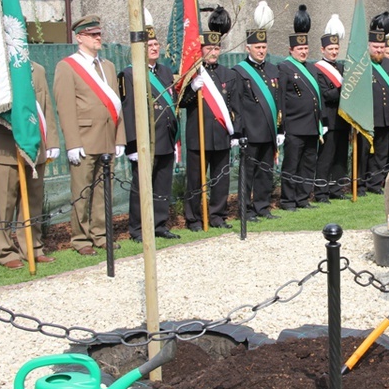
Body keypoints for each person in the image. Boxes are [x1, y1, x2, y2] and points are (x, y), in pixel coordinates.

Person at [0, 60, 60, 269]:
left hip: (33, 145)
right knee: (4, 204)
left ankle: (33, 247)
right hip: (3, 146)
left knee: (33, 201)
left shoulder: (36, 69)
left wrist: (53, 141)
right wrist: (11, 103)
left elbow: (45, 107)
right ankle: (5, 252)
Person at [54, 15, 126, 256]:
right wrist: (72, 143)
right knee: (82, 191)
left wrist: (120, 138)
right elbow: (65, 108)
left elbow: (117, 105)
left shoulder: (107, 66)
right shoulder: (68, 66)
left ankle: (101, 234)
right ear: (80, 37)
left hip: (107, 136)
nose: (98, 38)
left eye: (99, 34)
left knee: (103, 191)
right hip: (84, 139)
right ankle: (81, 238)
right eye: (93, 35)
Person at [119, 26, 180, 241]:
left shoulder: (164, 71)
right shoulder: (130, 72)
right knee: (141, 186)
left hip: (166, 137)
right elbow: (128, 110)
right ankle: (137, 229)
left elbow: (171, 103)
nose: (154, 48)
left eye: (156, 45)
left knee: (163, 183)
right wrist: (132, 145)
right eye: (149, 46)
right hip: (145, 140)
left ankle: (159, 224)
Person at [181, 23, 241, 229]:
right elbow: (180, 102)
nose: (213, 52)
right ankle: (194, 219)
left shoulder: (228, 74)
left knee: (220, 179)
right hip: (199, 136)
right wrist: (191, 89)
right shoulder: (193, 74)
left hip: (222, 135)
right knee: (196, 181)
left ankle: (217, 216)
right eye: (209, 48)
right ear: (201, 50)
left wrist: (235, 133)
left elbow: (235, 106)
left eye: (216, 49)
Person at [233, 27, 281, 222]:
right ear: (248, 48)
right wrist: (239, 132)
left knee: (265, 172)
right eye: (257, 47)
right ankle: (245, 209)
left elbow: (278, 101)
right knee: (248, 173)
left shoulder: (272, 70)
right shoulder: (239, 71)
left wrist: (280, 127)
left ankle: (262, 206)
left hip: (269, 130)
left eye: (264, 46)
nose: (261, 50)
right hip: (250, 132)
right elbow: (237, 105)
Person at [277, 5, 322, 211]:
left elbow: (316, 98)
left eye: (305, 49)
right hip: (294, 126)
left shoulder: (312, 68)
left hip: (312, 126)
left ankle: (303, 198)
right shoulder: (285, 68)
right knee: (292, 165)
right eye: (299, 49)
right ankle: (288, 200)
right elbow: (281, 100)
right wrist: (282, 127)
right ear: (291, 50)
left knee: (307, 165)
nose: (304, 52)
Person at [357, 28, 389, 195]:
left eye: (382, 47)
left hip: (384, 117)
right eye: (376, 46)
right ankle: (360, 185)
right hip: (366, 117)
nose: (379, 50)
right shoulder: (362, 64)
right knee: (363, 153)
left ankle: (375, 184)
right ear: (369, 46)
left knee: (381, 154)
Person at [313, 31, 348, 203]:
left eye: (336, 48)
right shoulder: (317, 69)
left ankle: (336, 188)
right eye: (330, 48)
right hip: (328, 120)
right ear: (322, 49)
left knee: (340, 158)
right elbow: (327, 95)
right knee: (326, 158)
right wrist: (344, 87)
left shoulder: (342, 68)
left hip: (343, 119)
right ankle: (321, 192)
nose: (334, 52)